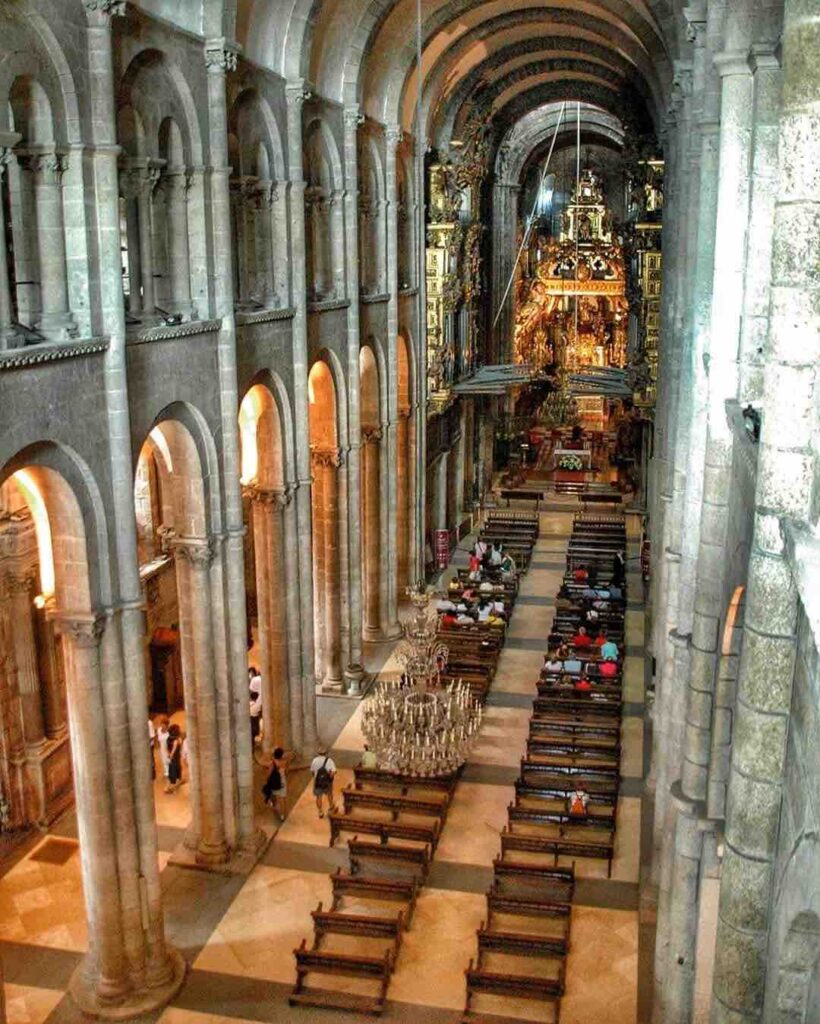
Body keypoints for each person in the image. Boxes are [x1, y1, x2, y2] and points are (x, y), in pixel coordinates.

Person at [262, 746, 291, 820]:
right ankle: (282, 816)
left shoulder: (273, 762)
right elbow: (287, 772)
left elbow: (269, 773)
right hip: (282, 781)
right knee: (282, 798)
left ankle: (273, 804)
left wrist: (267, 779)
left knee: (273, 793)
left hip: (274, 781)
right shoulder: (285, 762)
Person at [310, 749, 336, 818]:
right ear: (325, 753)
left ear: (318, 753)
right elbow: (333, 771)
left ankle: (320, 812)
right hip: (327, 781)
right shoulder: (329, 760)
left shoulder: (314, 760)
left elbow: (312, 771)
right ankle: (331, 806)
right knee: (329, 794)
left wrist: (315, 777)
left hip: (318, 781)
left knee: (319, 797)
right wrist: (330, 778)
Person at [165, 724, 183, 794]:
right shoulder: (177, 740)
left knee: (172, 772)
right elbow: (176, 749)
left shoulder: (168, 739)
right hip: (175, 758)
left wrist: (169, 755)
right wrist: (171, 756)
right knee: (175, 772)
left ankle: (170, 787)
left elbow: (167, 748)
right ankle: (173, 788)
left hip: (172, 758)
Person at [156, 715, 171, 780]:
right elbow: (158, 739)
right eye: (161, 724)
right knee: (163, 761)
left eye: (164, 725)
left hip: (167, 749)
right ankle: (166, 772)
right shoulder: (159, 730)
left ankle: (170, 773)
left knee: (168, 761)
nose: (162, 726)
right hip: (162, 749)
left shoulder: (169, 733)